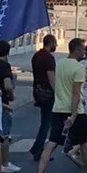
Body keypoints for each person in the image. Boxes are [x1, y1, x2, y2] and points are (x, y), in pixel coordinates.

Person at [32, 38, 87, 173]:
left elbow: (55, 84)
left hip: (58, 108)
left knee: (52, 142)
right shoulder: (78, 68)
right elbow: (76, 94)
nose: (84, 52)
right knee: (85, 145)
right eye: (82, 49)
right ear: (76, 50)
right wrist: (73, 115)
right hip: (75, 111)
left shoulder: (60, 64)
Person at [0, 40, 20, 173]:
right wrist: (11, 96)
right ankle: (5, 163)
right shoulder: (4, 66)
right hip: (3, 103)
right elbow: (8, 85)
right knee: (5, 134)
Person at [29, 34, 57, 162]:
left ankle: (37, 148)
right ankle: (38, 149)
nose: (56, 46)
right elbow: (51, 77)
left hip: (38, 91)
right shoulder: (48, 58)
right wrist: (58, 92)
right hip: (48, 93)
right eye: (55, 43)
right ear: (51, 43)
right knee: (47, 123)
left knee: (44, 122)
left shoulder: (36, 56)